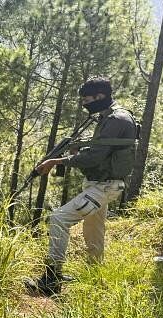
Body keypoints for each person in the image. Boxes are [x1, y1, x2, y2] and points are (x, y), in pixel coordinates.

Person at [25, 77, 138, 296]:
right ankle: (94, 275)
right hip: (100, 184)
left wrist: (56, 161)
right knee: (94, 230)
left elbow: (95, 157)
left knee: (59, 218)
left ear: (100, 97)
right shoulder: (108, 117)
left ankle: (52, 278)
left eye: (87, 99)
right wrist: (78, 147)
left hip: (105, 187)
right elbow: (101, 148)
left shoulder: (117, 119)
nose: (84, 104)